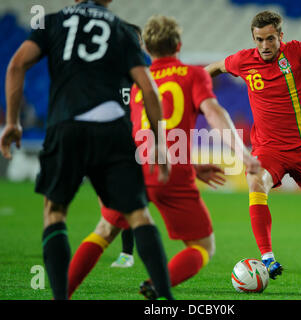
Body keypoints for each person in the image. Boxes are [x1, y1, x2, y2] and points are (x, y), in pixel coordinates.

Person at [67, 14, 261, 300]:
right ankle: (159, 283)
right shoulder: (194, 75)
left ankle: (61, 294)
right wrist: (244, 155)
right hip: (172, 174)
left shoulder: (138, 86)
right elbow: (215, 113)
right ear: (179, 44)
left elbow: (143, 136)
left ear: (147, 49)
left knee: (104, 229)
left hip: (135, 170)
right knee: (202, 246)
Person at [0, 0, 174, 300]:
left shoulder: (50, 22)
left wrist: (13, 122)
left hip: (65, 125)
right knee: (138, 214)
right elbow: (148, 88)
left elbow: (16, 64)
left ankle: (60, 297)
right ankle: (167, 302)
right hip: (112, 130)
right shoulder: (121, 29)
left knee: (55, 213)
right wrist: (160, 143)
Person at [205, 10, 301, 281]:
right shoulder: (243, 60)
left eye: (270, 39)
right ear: (253, 39)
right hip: (267, 149)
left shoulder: (296, 52)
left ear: (280, 36)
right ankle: (267, 258)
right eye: (259, 40)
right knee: (255, 182)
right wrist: (193, 86)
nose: (264, 46)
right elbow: (214, 67)